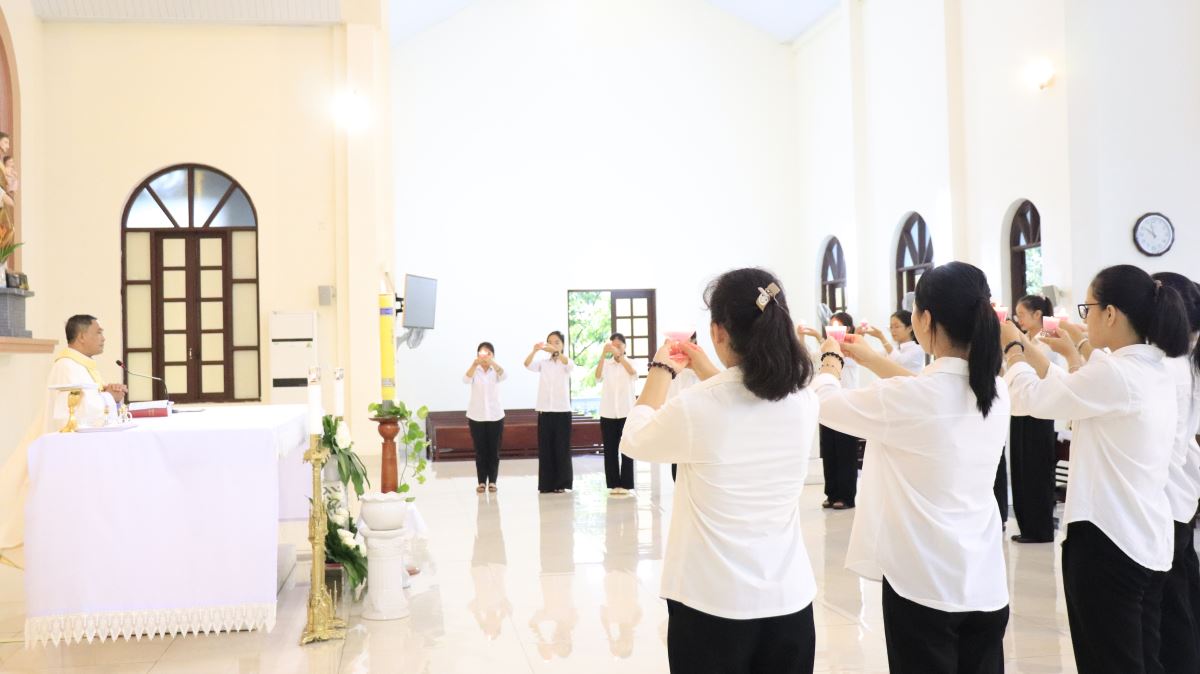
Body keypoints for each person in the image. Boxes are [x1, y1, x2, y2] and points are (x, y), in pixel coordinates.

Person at [621, 268, 819, 674]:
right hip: (790, 602)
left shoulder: (698, 406)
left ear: (717, 331)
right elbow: (746, 395)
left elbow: (635, 439)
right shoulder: (803, 400)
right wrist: (707, 369)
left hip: (712, 605)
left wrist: (661, 369)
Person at [815, 262, 1010, 673]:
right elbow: (928, 390)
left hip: (923, 584)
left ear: (925, 319)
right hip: (985, 580)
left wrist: (830, 361)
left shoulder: (913, 399)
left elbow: (826, 404)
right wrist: (873, 360)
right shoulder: (996, 390)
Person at [1003, 264, 1189, 674]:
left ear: (1110, 313)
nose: (1084, 318)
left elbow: (1029, 399)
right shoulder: (1154, 369)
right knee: (1143, 658)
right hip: (1146, 536)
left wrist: (1012, 349)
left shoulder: (1116, 372)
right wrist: (1043, 351)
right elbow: (1074, 391)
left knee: (1109, 661)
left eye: (1088, 308)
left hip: (1107, 540)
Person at [0, 315, 128, 568]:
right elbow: (71, 414)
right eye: (98, 332)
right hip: (68, 456)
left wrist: (107, 395)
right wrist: (108, 399)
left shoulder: (81, 366)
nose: (103, 338)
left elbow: (88, 403)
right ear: (81, 336)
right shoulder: (67, 366)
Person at [1149, 272, 1200, 672]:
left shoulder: (1169, 366)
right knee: (1182, 600)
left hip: (1169, 496)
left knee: (1174, 612)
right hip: (1180, 495)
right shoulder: (1183, 360)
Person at [1005, 295, 1064, 543]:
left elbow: (1046, 371)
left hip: (1041, 410)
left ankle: (1040, 528)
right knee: (1021, 470)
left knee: (1037, 470)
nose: (1018, 319)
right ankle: (1027, 526)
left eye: (1022, 314)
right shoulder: (1024, 339)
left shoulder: (1049, 340)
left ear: (1037, 314)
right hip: (1020, 408)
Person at [801, 312, 861, 510]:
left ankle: (846, 496)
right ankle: (832, 493)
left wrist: (826, 342)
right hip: (828, 406)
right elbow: (812, 359)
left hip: (847, 405)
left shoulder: (852, 350)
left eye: (838, 325)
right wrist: (806, 337)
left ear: (848, 329)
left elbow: (839, 360)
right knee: (829, 451)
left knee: (845, 453)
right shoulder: (825, 350)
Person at [525, 331, 574, 493]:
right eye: (550, 342)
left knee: (561, 448)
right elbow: (527, 364)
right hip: (545, 410)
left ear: (563, 345)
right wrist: (534, 350)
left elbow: (569, 365)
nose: (553, 345)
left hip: (562, 411)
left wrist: (557, 352)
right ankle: (546, 484)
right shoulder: (543, 363)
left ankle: (561, 484)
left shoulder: (566, 362)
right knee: (545, 449)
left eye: (557, 342)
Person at [595, 333, 638, 495]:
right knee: (610, 449)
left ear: (625, 347)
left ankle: (626, 484)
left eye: (619, 345)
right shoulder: (607, 364)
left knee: (627, 448)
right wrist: (603, 354)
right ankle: (613, 484)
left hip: (627, 412)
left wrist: (620, 356)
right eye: (613, 345)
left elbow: (633, 373)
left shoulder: (630, 362)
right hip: (608, 412)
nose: (616, 348)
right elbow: (597, 377)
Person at [464, 341, 506, 493]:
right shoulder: (475, 370)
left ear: (493, 355)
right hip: (476, 416)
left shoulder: (496, 370)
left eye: (488, 353)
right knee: (480, 450)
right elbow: (465, 379)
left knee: (494, 450)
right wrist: (474, 364)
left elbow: (504, 375)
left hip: (495, 415)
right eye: (482, 353)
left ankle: (493, 481)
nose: (485, 356)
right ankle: (481, 481)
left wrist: (492, 362)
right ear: (477, 355)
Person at [666, 332, 700, 482]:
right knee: (676, 458)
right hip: (675, 415)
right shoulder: (670, 361)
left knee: (692, 459)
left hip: (694, 417)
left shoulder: (697, 362)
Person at [863, 310, 925, 374]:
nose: (893, 330)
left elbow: (899, 361)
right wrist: (859, 337)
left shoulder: (918, 349)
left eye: (897, 326)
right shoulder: (894, 348)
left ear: (909, 328)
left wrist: (881, 337)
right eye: (891, 327)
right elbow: (872, 355)